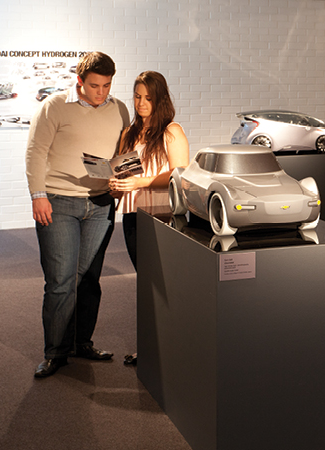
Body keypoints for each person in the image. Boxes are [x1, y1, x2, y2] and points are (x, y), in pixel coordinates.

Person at [26, 51, 130, 378]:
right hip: (58, 203)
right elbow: (35, 152)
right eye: (95, 85)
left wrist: (122, 180)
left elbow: (123, 154)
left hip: (100, 206)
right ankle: (55, 352)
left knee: (89, 280)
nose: (102, 92)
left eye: (107, 86)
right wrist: (38, 196)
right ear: (80, 81)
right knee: (60, 281)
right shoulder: (55, 106)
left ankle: (81, 342)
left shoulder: (119, 109)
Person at [109, 71, 189, 364]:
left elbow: (180, 173)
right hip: (132, 214)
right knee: (147, 283)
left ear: (160, 99)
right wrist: (115, 185)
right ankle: (151, 347)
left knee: (163, 283)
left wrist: (140, 183)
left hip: (161, 215)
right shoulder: (129, 133)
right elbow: (123, 172)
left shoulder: (171, 131)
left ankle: (170, 346)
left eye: (148, 98)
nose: (141, 103)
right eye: (137, 96)